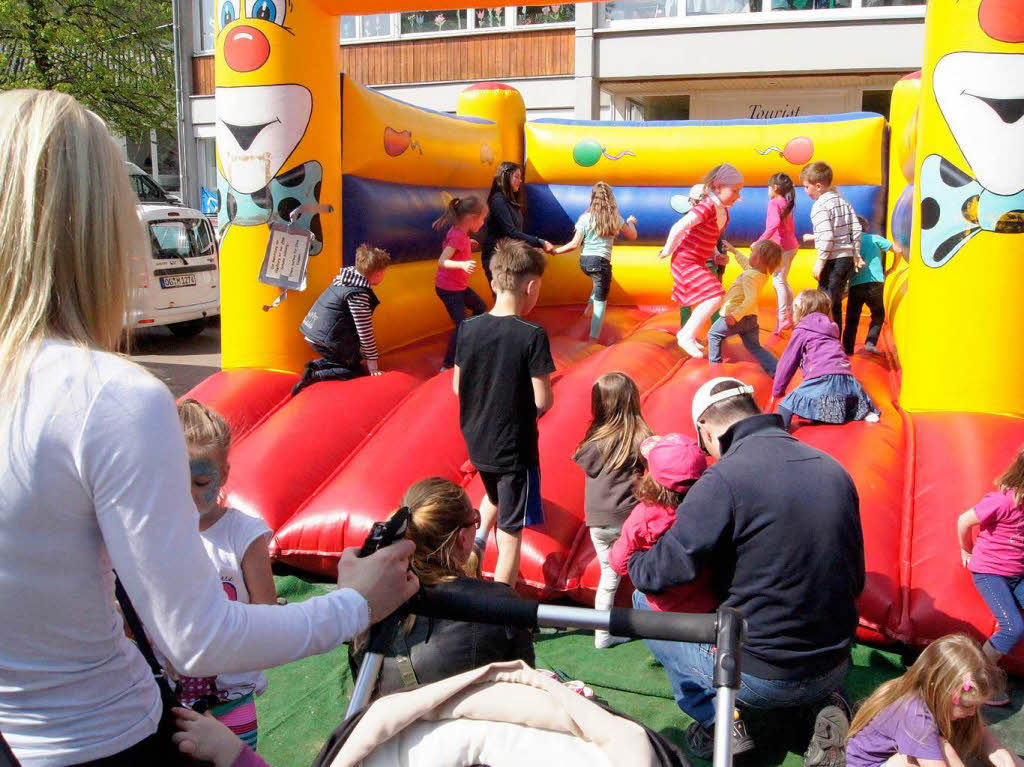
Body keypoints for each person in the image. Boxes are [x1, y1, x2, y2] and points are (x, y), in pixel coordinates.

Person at [0, 89, 418, 766]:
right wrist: (353, 604)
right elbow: (195, 637)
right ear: (96, 229)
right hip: (101, 736)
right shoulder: (109, 398)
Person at [627, 377, 865, 762]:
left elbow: (663, 573)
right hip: (834, 661)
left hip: (759, 677)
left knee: (643, 599)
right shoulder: (834, 469)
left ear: (705, 429)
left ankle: (720, 720)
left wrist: (636, 559)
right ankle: (826, 704)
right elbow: (857, 578)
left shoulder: (723, 478)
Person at [350, 477, 535, 695]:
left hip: (392, 724)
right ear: (462, 538)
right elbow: (524, 686)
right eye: (476, 519)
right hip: (470, 724)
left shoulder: (370, 602)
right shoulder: (500, 604)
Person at [172, 400, 277, 750]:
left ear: (224, 474)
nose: (189, 494)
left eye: (201, 481)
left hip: (230, 699)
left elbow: (265, 613)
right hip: (170, 699)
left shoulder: (243, 534)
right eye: (176, 480)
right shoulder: (156, 534)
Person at [453, 239, 555, 587]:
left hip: (478, 443)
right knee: (512, 533)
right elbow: (541, 399)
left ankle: (475, 549)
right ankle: (501, 606)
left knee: (494, 495)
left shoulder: (469, 328)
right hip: (514, 449)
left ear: (494, 283)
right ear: (531, 287)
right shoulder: (532, 334)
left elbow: (457, 386)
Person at [845, 634, 1021, 767]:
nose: (974, 711)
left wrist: (1008, 761)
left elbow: (985, 741)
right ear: (940, 690)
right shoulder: (914, 716)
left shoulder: (935, 699)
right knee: (920, 755)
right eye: (968, 705)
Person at [572, 372, 651, 648]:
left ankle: (602, 635)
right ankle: (657, 626)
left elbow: (583, 462)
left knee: (609, 576)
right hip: (627, 521)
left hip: (598, 523)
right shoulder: (640, 436)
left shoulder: (594, 440)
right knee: (646, 571)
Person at [609, 433, 712, 614]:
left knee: (638, 597)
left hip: (667, 606)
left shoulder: (644, 516)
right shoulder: (713, 507)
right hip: (709, 600)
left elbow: (619, 562)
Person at [956, 443, 1024, 706]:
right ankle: (976, 680)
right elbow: (964, 520)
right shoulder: (1000, 502)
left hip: (1017, 574)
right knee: (1012, 627)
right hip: (990, 572)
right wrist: (966, 550)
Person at [659, 163, 745, 359]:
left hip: (697, 260)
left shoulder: (722, 210)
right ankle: (686, 335)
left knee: (715, 297)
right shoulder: (708, 206)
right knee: (715, 295)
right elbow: (681, 225)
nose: (737, 195)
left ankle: (687, 334)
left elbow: (705, 236)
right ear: (717, 187)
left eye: (739, 190)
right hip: (685, 261)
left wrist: (715, 255)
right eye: (734, 190)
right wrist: (667, 249)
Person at [772, 290, 880, 431]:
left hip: (823, 379)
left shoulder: (802, 330)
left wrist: (777, 391)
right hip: (847, 380)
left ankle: (779, 432)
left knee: (787, 404)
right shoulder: (831, 329)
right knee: (829, 396)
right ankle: (857, 410)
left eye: (794, 308)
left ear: (801, 310)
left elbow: (787, 363)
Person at [294, 244, 391, 395]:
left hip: (313, 330)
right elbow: (365, 331)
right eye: (384, 272)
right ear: (378, 274)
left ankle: (317, 365)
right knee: (355, 372)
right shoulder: (358, 294)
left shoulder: (346, 279)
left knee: (353, 359)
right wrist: (373, 366)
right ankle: (315, 375)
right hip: (325, 340)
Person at [553, 181, 638, 340]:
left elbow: (574, 244)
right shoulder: (615, 218)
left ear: (593, 198)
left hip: (585, 262)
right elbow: (633, 236)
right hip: (601, 263)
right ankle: (593, 340)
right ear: (611, 199)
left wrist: (555, 251)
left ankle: (587, 312)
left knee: (598, 281)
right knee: (601, 302)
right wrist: (631, 222)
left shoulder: (585, 218)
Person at [800, 161, 863, 339]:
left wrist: (820, 262)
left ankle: (823, 342)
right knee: (834, 303)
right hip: (846, 259)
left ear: (818, 186)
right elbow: (856, 228)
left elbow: (827, 237)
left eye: (806, 187)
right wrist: (856, 253)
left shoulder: (820, 206)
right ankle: (836, 339)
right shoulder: (843, 202)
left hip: (833, 260)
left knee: (823, 303)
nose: (805, 191)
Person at [706, 239, 783, 376]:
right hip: (751, 319)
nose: (750, 255)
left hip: (737, 316)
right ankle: (776, 370)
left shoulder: (749, 277)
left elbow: (750, 298)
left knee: (714, 334)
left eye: (752, 253)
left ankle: (715, 369)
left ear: (758, 259)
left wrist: (735, 316)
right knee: (754, 347)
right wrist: (734, 251)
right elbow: (747, 265)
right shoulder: (761, 274)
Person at [433, 195, 490, 371]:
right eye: (482, 219)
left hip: (459, 287)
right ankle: (447, 365)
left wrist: (467, 243)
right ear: (471, 218)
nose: (482, 223)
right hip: (449, 289)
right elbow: (442, 261)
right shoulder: (458, 236)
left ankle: (470, 339)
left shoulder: (460, 234)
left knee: (480, 307)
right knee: (462, 324)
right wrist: (462, 264)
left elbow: (457, 243)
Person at [481, 161, 554, 284]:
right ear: (505, 177)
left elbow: (515, 234)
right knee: (505, 296)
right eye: (516, 177)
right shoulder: (498, 201)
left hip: (508, 256)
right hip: (496, 257)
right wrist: (540, 242)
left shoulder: (510, 202)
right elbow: (511, 232)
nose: (520, 181)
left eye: (521, 178)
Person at [755, 172, 800, 335]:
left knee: (778, 281)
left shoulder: (774, 203)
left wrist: (760, 241)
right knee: (782, 280)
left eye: (768, 187)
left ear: (774, 188)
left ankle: (783, 318)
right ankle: (792, 314)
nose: (768, 190)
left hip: (783, 248)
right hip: (791, 246)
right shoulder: (785, 202)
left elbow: (773, 225)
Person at [843, 216, 892, 356]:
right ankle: (870, 343)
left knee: (852, 319)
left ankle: (848, 350)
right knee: (878, 314)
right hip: (875, 283)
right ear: (866, 228)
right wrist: (892, 269)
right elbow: (898, 249)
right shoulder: (874, 238)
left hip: (855, 285)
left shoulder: (850, 243)